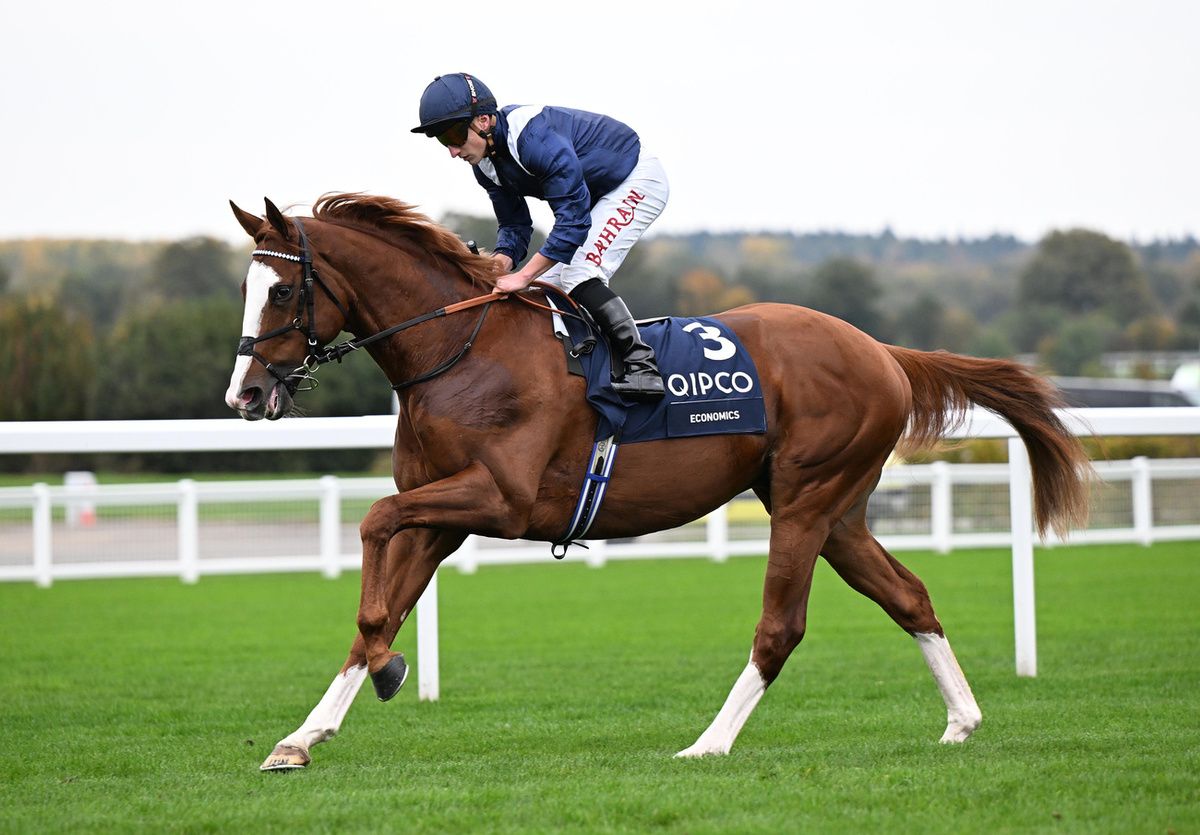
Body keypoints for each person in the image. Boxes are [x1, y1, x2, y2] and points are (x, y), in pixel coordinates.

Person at [411, 73, 669, 400]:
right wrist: (500, 265)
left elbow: (572, 221)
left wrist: (524, 275)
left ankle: (642, 366)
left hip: (635, 179)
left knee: (579, 272)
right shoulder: (485, 165)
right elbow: (516, 225)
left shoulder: (533, 138)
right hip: (596, 196)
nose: (452, 151)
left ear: (485, 121)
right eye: (440, 139)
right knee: (552, 284)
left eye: (453, 135)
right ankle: (581, 371)